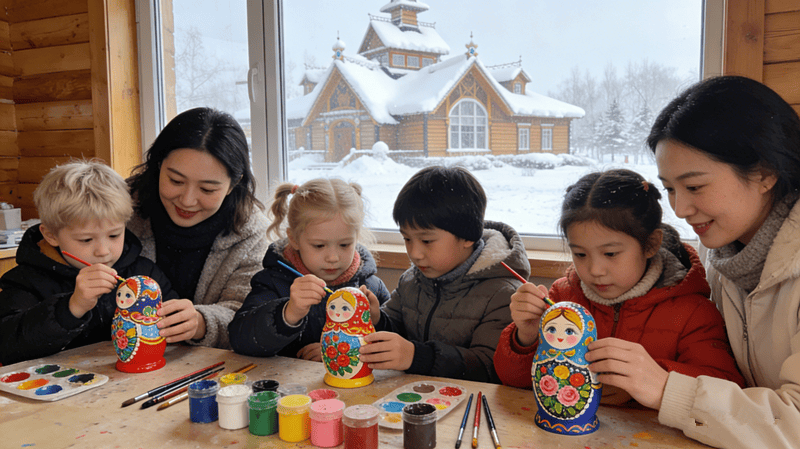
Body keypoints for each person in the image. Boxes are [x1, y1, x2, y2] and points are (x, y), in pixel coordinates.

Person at [493, 168, 745, 405]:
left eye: (611, 254)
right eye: (580, 254)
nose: (594, 270)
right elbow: (513, 382)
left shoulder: (692, 311)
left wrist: (650, 381)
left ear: (651, 244)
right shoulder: (561, 298)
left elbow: (724, 390)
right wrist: (525, 336)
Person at [644, 75, 800, 449]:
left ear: (764, 173)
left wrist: (668, 391)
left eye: (694, 186)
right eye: (669, 189)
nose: (679, 209)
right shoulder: (722, 260)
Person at [358, 166, 530, 383]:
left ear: (468, 236)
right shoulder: (411, 280)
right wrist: (378, 319)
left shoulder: (503, 293)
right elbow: (397, 331)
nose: (415, 253)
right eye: (407, 239)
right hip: (415, 398)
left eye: (427, 241)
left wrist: (416, 356)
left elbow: (489, 366)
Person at [0, 160, 181, 366]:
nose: (103, 252)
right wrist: (71, 308)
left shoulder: (143, 271)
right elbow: (7, 346)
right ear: (51, 235)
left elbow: (173, 327)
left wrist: (183, 322)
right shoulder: (27, 280)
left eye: (114, 235)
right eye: (86, 240)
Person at [127, 107, 269, 349]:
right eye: (175, 181)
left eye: (207, 189)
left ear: (233, 185)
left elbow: (246, 313)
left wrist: (202, 322)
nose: (187, 200)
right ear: (158, 164)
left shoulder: (253, 234)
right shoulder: (116, 209)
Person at [228, 178, 390, 361]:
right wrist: (288, 313)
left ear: (356, 237)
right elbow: (240, 340)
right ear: (294, 239)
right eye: (319, 246)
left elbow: (398, 347)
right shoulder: (273, 282)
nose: (333, 257)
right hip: (292, 387)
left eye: (344, 244)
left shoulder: (370, 286)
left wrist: (377, 321)